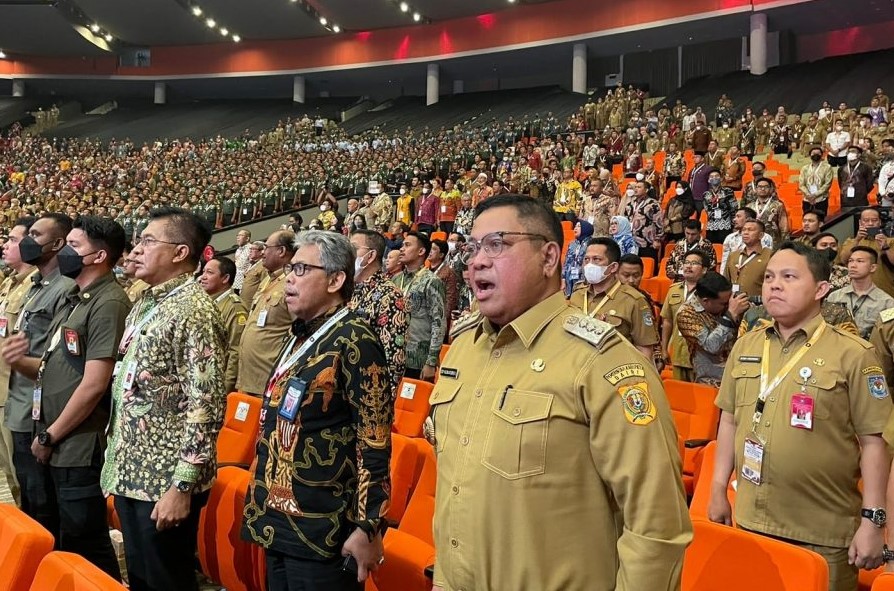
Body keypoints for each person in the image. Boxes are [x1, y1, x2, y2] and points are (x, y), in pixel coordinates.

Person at [431, 194, 690, 591]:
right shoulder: (464, 346)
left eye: (496, 244)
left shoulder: (600, 361)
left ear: (549, 258)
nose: (477, 260)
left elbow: (656, 523)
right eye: (473, 247)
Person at [709, 241, 890, 591]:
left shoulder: (854, 354)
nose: (774, 284)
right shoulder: (747, 346)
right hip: (750, 522)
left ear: (821, 289)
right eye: (770, 277)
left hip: (821, 534)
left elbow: (875, 442)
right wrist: (717, 489)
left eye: (789, 277)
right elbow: (729, 420)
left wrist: (873, 521)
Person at [242, 231, 393, 591]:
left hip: (322, 527)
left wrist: (368, 526)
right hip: (278, 518)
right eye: (290, 268)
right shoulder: (302, 334)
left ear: (336, 279)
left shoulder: (355, 339)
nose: (289, 278)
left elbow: (373, 440)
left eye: (301, 269)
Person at [101, 207, 226, 591]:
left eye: (148, 241)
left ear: (180, 253)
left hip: (164, 482)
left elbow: (205, 406)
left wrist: (181, 487)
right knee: (141, 578)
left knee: (165, 580)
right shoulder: (146, 302)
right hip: (134, 472)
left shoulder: (194, 310)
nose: (136, 249)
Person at [2, 216, 129, 576]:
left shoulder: (109, 302)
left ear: (98, 256)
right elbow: (53, 364)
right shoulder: (77, 297)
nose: (65, 254)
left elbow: (93, 384)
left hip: (78, 442)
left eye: (74, 246)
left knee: (85, 542)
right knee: (64, 536)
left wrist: (50, 434)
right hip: (58, 438)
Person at [3, 213, 76, 534]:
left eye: (35, 234)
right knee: (27, 497)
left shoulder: (66, 288)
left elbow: (55, 361)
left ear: (58, 243)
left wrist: (16, 359)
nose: (29, 241)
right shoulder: (35, 284)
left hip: (39, 410)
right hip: (18, 403)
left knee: (42, 502)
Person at [568, 237, 659, 361]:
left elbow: (644, 350)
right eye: (587, 259)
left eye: (597, 260)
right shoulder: (577, 295)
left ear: (613, 267)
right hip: (576, 366)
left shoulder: (633, 300)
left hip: (611, 371)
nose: (589, 265)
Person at [0, 216, 38, 505]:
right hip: (2, 393)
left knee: (25, 477)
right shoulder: (10, 284)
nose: (5, 244)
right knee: (11, 478)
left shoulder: (36, 288)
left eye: (13, 239)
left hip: (19, 395)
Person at [236, 230, 295, 397]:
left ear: (282, 251)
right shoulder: (267, 279)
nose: (263, 253)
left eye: (266, 248)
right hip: (249, 380)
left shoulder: (292, 283)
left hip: (269, 383)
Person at [347, 229, 408, 393]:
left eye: (353, 248)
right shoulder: (348, 290)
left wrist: (382, 401)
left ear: (370, 256)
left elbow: (394, 358)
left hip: (368, 390)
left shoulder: (390, 295)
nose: (347, 254)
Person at [676, 271, 747, 386]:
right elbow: (711, 346)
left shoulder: (728, 304)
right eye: (724, 303)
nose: (727, 305)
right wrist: (730, 315)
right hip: (711, 381)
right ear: (706, 301)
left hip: (739, 374)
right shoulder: (686, 314)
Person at [395, 232, 446, 381]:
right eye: (402, 245)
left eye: (407, 245)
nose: (402, 249)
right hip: (394, 356)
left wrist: (431, 361)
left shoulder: (431, 281)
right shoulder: (396, 279)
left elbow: (439, 322)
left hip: (417, 359)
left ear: (421, 251)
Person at [199, 256, 249, 394]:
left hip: (219, 381)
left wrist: (226, 388)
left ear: (225, 278)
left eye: (209, 272)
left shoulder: (234, 307)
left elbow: (235, 350)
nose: (203, 277)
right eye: (203, 272)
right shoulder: (207, 302)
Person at [661, 249, 710, 382]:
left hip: (700, 356)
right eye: (686, 262)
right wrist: (664, 348)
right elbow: (667, 321)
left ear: (704, 269)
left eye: (694, 263)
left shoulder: (709, 293)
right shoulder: (673, 290)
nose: (688, 266)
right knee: (680, 394)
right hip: (677, 353)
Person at [826, 246, 894, 340]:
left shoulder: (887, 303)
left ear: (873, 267)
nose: (853, 265)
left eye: (859, 261)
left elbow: (887, 337)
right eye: (850, 261)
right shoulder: (835, 297)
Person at [836, 208, 894, 298]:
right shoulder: (851, 241)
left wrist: (885, 246)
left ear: (880, 222)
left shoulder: (890, 241)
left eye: (874, 220)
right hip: (857, 292)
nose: (870, 223)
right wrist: (857, 240)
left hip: (886, 291)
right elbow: (844, 260)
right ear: (860, 223)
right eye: (866, 220)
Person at [723, 219, 772, 299]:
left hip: (759, 306)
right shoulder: (733, 255)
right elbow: (725, 281)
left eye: (750, 230)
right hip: (734, 303)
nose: (745, 233)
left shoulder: (770, 256)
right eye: (744, 230)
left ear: (761, 235)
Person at [720, 207, 773, 272]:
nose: (734, 219)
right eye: (735, 217)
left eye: (738, 217)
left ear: (748, 219)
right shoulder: (730, 238)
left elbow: (767, 259)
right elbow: (725, 261)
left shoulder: (765, 237)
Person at [561, 219, 594, 297]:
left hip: (583, 279)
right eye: (575, 226)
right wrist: (563, 278)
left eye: (579, 226)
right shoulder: (572, 244)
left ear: (585, 229)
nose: (575, 228)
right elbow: (566, 262)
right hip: (569, 277)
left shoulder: (591, 244)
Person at [799, 146, 835, 215]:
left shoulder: (827, 167)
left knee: (821, 220)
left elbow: (827, 184)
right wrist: (809, 196)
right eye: (813, 153)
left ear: (822, 155)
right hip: (807, 199)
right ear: (810, 155)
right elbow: (801, 184)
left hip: (821, 199)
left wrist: (815, 195)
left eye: (818, 153)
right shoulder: (804, 168)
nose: (815, 155)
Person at [239, 240, 268, 309]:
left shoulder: (263, 266)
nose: (250, 251)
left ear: (261, 252)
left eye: (253, 249)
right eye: (250, 249)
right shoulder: (251, 264)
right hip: (244, 303)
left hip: (252, 304)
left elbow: (264, 286)